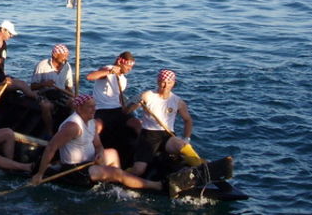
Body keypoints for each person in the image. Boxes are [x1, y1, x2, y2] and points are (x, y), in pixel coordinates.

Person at [30, 94, 166, 192]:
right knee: (116, 173)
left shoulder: (91, 122)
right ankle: (157, 186)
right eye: (90, 107)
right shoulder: (72, 126)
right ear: (79, 109)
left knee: (112, 152)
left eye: (95, 106)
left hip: (90, 162)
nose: (94, 109)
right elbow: (51, 147)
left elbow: (98, 145)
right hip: (75, 170)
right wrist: (40, 174)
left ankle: (115, 184)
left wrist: (100, 153)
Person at [125, 69, 200, 177]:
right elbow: (127, 111)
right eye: (162, 82)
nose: (165, 86)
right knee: (139, 171)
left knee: (181, 145)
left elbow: (188, 120)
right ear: (158, 81)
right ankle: (121, 174)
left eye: (169, 83)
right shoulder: (147, 95)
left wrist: (186, 138)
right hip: (148, 136)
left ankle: (202, 167)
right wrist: (136, 101)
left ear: (173, 83)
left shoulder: (178, 101)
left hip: (167, 135)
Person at [86, 51, 141, 165]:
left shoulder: (123, 80)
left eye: (131, 67)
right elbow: (90, 76)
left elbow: (120, 98)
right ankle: (91, 154)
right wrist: (109, 71)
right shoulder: (107, 69)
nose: (129, 69)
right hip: (101, 110)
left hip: (117, 110)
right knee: (98, 127)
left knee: (137, 123)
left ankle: (143, 152)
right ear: (120, 61)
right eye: (128, 66)